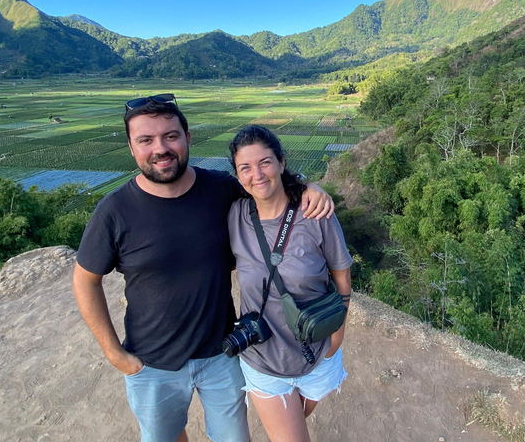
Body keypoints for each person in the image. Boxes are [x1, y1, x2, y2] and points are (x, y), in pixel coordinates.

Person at [72, 95, 334, 442]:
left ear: (187, 138)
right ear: (132, 147)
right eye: (146, 140)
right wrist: (114, 353)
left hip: (221, 356)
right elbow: (85, 281)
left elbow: (265, 184)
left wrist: (310, 187)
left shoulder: (219, 190)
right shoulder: (114, 211)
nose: (160, 148)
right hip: (151, 363)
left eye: (170, 136)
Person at [227, 125, 352, 442]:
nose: (257, 174)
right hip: (263, 359)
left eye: (265, 162)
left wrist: (337, 336)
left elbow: (341, 275)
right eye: (246, 167)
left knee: (297, 416)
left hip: (318, 349)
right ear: (237, 175)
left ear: (282, 163)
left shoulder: (315, 213)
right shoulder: (234, 214)